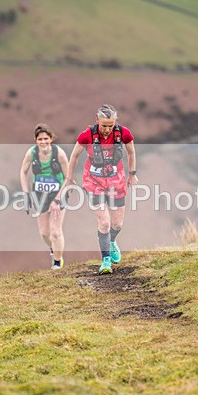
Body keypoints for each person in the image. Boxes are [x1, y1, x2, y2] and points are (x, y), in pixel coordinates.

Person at [64, 104, 137, 274]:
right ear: (97, 120)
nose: (107, 130)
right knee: (104, 223)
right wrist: (69, 178)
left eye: (110, 126)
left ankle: (111, 241)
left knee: (117, 224)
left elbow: (131, 152)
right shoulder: (87, 135)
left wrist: (132, 174)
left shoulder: (123, 133)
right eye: (104, 125)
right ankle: (106, 261)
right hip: (93, 181)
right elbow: (74, 156)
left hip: (116, 180)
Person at [19, 123, 70, 269]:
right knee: (44, 233)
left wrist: (57, 199)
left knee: (55, 232)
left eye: (46, 139)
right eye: (40, 139)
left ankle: (57, 263)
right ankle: (54, 249)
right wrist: (26, 194)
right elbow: (23, 172)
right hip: (39, 195)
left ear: (51, 139)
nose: (43, 142)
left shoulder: (59, 154)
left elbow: (68, 177)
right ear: (36, 140)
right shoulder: (31, 153)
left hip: (58, 193)